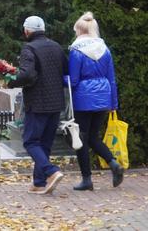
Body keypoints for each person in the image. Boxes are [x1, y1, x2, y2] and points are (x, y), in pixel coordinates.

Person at [7, 16, 67, 195]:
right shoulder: (56, 46)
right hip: (56, 103)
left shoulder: (29, 48)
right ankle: (39, 182)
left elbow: (27, 75)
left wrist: (9, 81)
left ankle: (51, 172)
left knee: (31, 141)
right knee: (45, 143)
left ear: (27, 31)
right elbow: (65, 69)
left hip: (38, 102)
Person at [68, 12, 123, 190]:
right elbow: (111, 78)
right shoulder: (104, 49)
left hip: (83, 99)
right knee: (93, 137)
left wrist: (61, 78)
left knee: (81, 138)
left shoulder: (77, 51)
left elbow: (74, 80)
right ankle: (113, 163)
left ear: (79, 30)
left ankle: (87, 179)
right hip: (103, 97)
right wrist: (113, 102)